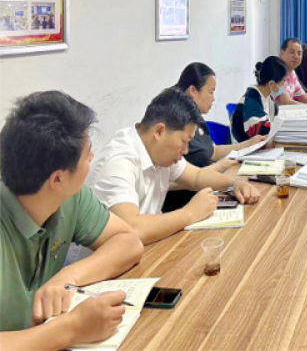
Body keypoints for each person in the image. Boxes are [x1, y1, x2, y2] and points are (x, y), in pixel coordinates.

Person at [0, 91, 144, 349]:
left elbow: (128, 242)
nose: (92, 158)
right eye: (87, 154)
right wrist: (70, 329)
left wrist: (68, 277)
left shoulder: (70, 197)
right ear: (58, 178)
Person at [88, 88, 261, 245]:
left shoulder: (158, 150)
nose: (185, 151)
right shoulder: (119, 162)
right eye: (184, 141)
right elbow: (131, 229)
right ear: (159, 131)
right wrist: (190, 213)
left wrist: (234, 183)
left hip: (147, 248)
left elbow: (196, 177)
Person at [162, 63, 267, 213]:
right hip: (184, 204)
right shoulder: (175, 126)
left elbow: (213, 151)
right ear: (193, 91)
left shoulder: (195, 118)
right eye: (211, 92)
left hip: (205, 193)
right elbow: (173, 181)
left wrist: (246, 144)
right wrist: (218, 168)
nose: (213, 98)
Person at [231, 56, 287, 143]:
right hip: (243, 146)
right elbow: (258, 130)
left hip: (259, 144)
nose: (285, 85)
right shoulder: (251, 98)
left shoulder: (269, 99)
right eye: (283, 81)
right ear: (271, 84)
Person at [273, 38, 307, 105]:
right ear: (282, 53)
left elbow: (302, 96)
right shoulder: (276, 72)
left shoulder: (292, 73)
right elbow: (286, 101)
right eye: (292, 52)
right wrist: (306, 107)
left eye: (299, 53)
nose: (296, 56)